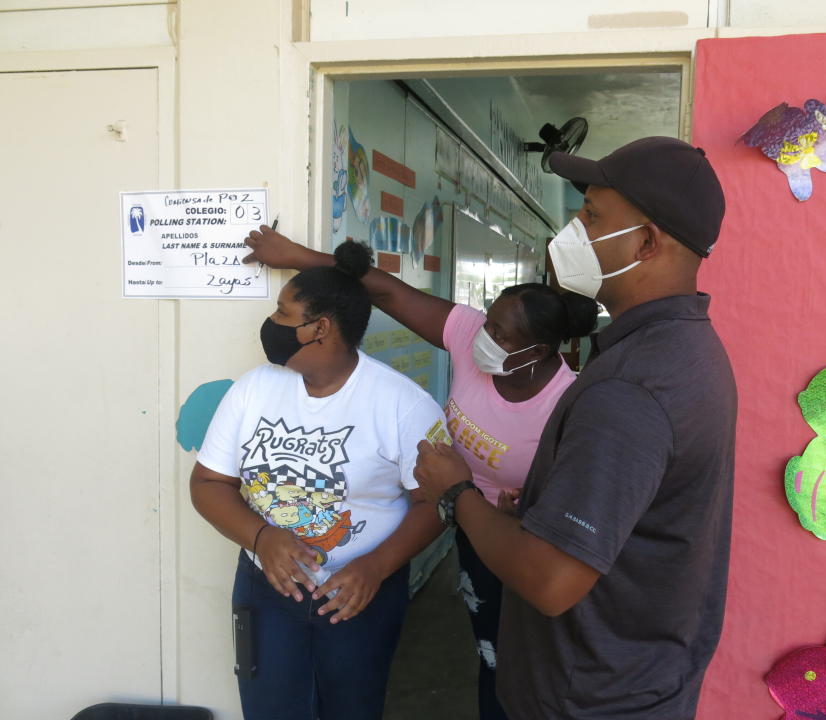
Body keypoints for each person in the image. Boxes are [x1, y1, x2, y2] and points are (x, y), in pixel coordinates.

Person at [414, 136, 738, 720]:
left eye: (592, 214)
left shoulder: (632, 386)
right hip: (639, 678)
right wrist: (541, 504)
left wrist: (457, 493)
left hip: (585, 698)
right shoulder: (687, 347)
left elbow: (552, 579)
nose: (573, 229)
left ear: (646, 241)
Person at [243, 227, 599, 720]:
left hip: (524, 536)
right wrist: (297, 256)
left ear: (537, 353)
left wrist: (532, 504)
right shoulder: (470, 337)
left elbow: (583, 494)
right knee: (489, 647)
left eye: (501, 335)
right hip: (469, 523)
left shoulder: (567, 402)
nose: (484, 339)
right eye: (487, 323)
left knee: (532, 651)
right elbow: (385, 289)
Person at [190, 241, 447, 720]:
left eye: (283, 313)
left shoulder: (402, 405)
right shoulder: (254, 389)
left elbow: (438, 504)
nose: (271, 323)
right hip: (267, 591)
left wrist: (376, 566)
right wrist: (262, 537)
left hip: (360, 594)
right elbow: (207, 484)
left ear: (320, 327)